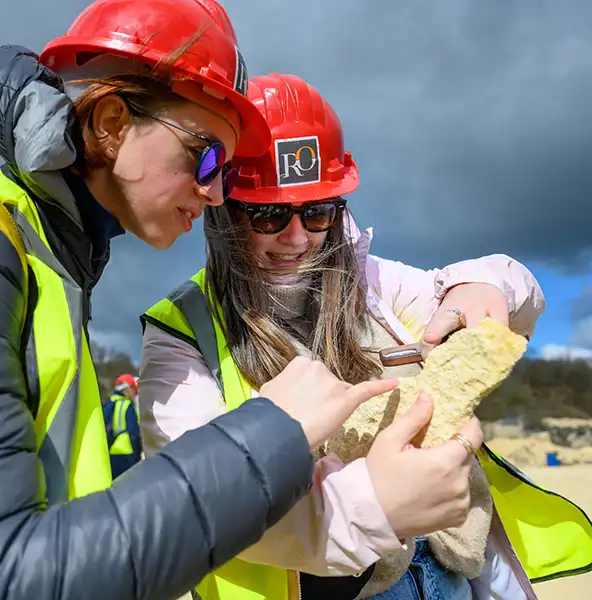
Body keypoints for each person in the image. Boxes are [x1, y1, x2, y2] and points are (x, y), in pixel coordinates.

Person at [0, 4, 408, 599]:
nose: (218, 194)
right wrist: (271, 432)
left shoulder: (52, 262)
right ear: (111, 123)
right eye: (208, 156)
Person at [140, 73, 592, 600]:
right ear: (221, 210)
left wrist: (486, 284)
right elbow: (199, 505)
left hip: (453, 571)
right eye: (267, 214)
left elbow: (501, 287)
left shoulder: (375, 285)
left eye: (318, 212)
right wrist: (375, 508)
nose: (297, 237)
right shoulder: (181, 333)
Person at [103, 373, 143, 477]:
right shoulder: (127, 406)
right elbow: (133, 433)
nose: (135, 394)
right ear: (126, 389)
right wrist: (137, 454)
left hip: (110, 453)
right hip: (127, 453)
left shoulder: (107, 404)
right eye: (133, 389)